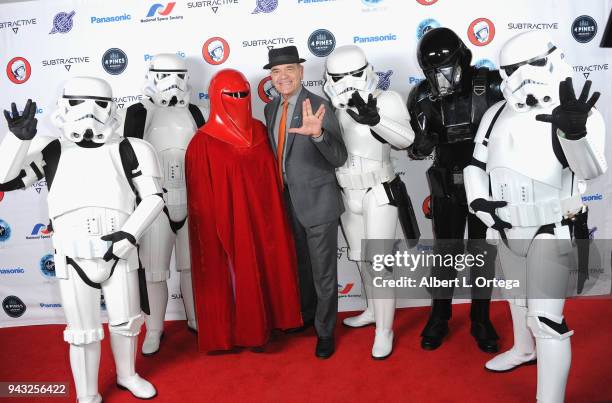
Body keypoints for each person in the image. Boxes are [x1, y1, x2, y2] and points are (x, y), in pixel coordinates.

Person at [0, 77, 164, 402]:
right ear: (64, 105)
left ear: (111, 107)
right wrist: (16, 141)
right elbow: (5, 182)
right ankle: (87, 394)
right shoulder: (51, 149)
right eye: (78, 102)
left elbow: (153, 198)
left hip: (120, 251)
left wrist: (129, 234)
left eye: (99, 103)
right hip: (73, 257)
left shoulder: (132, 149)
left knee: (126, 323)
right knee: (82, 332)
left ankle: (127, 374)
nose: (89, 112)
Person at [464, 30, 606, 402]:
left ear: (553, 59)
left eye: (535, 64)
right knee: (516, 300)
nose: (525, 75)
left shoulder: (577, 114)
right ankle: (523, 350)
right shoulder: (495, 113)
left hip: (550, 226)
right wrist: (478, 202)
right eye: (514, 69)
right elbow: (475, 165)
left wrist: (575, 133)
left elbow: (590, 170)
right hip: (505, 225)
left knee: (547, 321)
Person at [185, 68, 302, 352]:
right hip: (229, 224)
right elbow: (200, 201)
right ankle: (239, 331)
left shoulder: (260, 130)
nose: (238, 99)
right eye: (231, 95)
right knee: (236, 276)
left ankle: (273, 321)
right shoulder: (202, 143)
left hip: (264, 221)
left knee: (268, 267)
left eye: (243, 94)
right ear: (216, 97)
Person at [407, 27, 502, 352]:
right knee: (445, 255)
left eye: (445, 68)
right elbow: (416, 148)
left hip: (484, 188)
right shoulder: (421, 96)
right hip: (447, 186)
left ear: (462, 58)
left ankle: (481, 318)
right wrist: (420, 145)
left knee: (481, 255)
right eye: (432, 71)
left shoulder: (489, 85)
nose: (441, 77)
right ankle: (439, 316)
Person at [323, 45, 418, 359]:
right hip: (347, 193)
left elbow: (406, 140)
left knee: (379, 264)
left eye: (353, 73)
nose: (347, 82)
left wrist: (376, 120)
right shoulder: (332, 108)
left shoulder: (387, 100)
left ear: (367, 70)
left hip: (379, 190)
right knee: (363, 258)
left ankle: (384, 331)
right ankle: (373, 311)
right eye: (339, 76)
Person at [263, 46, 347, 358]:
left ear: (301, 71)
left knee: (324, 272)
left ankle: (325, 332)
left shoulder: (320, 106)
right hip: (288, 203)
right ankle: (308, 315)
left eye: (288, 69)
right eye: (275, 71)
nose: (282, 76)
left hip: (319, 204)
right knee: (302, 267)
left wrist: (317, 135)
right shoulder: (271, 109)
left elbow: (339, 157)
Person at [121, 53, 208, 356]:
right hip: (155, 201)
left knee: (191, 268)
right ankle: (154, 328)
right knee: (154, 271)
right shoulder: (137, 114)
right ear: (152, 76)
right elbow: (124, 159)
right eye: (165, 75)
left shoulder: (199, 112)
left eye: (180, 75)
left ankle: (196, 319)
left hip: (193, 199)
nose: (173, 82)